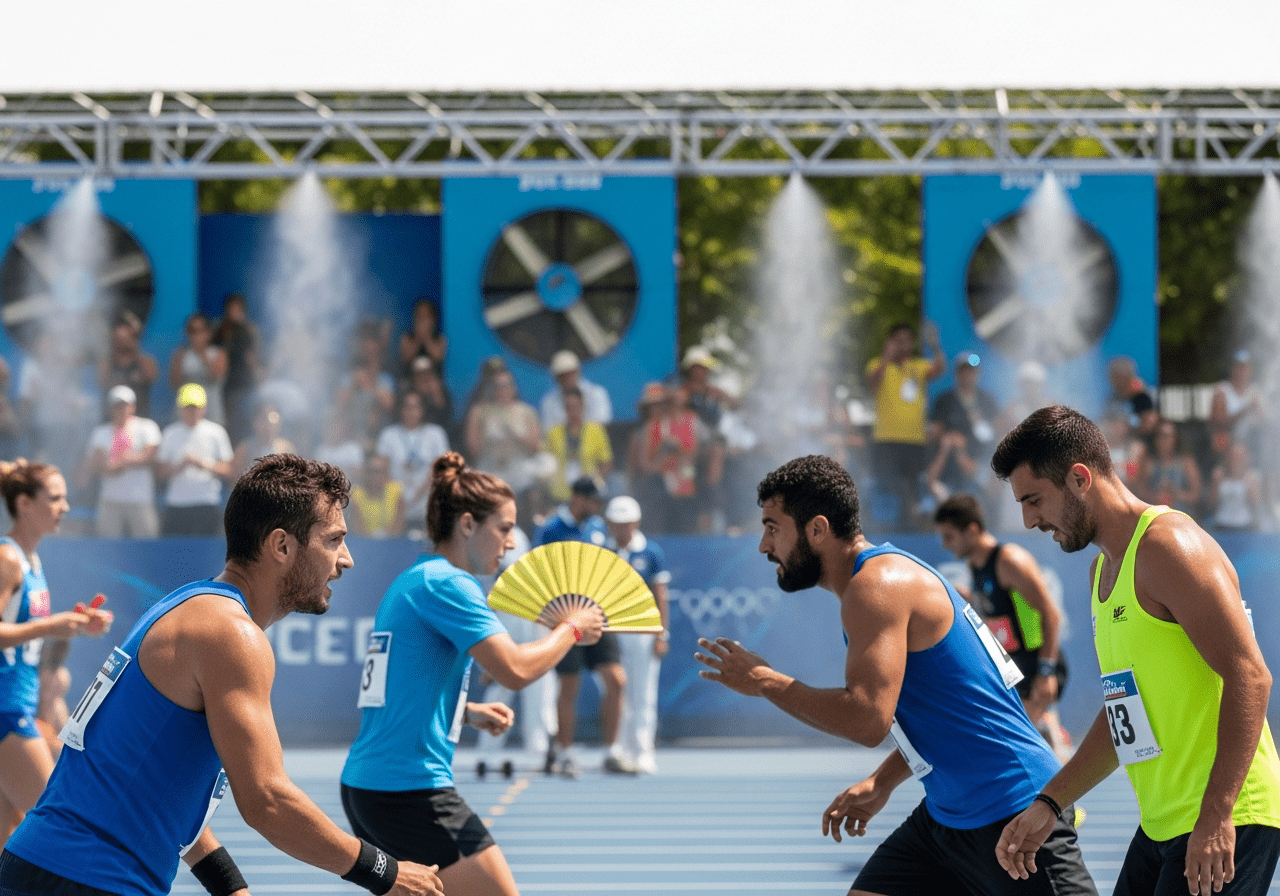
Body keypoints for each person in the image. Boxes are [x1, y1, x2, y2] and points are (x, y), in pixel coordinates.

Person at [0, 454, 446, 896]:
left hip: (49, 868)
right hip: (86, 880)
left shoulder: (192, 605)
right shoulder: (232, 634)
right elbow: (267, 800)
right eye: (333, 540)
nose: (346, 559)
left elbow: (164, 790)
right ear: (282, 546)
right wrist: (384, 872)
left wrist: (230, 886)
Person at [694, 454, 1096, 896]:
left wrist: (764, 681)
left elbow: (868, 720)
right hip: (948, 817)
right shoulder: (878, 581)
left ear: (817, 530)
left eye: (773, 527)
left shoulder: (876, 587)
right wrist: (880, 782)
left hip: (1014, 811)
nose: (763, 545)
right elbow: (948, 712)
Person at [990, 405, 1280, 896]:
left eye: (1035, 500)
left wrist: (1216, 815)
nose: (1028, 519)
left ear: (1080, 478)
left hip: (1226, 816)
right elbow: (1125, 713)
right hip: (1162, 826)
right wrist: (1050, 803)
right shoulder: (1101, 574)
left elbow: (1251, 676)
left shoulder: (1170, 547)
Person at [341, 451, 605, 896]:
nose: (509, 543)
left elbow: (392, 689)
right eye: (503, 529)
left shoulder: (415, 579)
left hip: (368, 788)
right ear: (467, 525)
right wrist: (572, 628)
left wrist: (464, 710)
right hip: (409, 792)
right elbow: (516, 669)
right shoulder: (449, 584)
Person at [0, 460, 112, 845]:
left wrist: (74, 624)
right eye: (55, 498)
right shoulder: (8, 558)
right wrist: (52, 625)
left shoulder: (31, 561)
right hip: (5, 711)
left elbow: (23, 635)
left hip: (17, 704)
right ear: (25, 503)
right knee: (62, 833)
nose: (65, 506)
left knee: (8, 840)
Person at [933, 493, 1071, 761]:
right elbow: (1000, 614)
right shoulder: (975, 566)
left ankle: (1057, 753)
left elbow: (1050, 615)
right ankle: (1053, 736)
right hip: (1016, 670)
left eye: (949, 536)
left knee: (1023, 747)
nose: (945, 545)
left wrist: (1046, 674)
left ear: (972, 530)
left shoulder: (1010, 561)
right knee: (1027, 746)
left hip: (1039, 665)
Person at [535, 476, 632, 776]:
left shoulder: (598, 528)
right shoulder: (551, 529)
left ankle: (611, 752)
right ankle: (564, 753)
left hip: (596, 612)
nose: (598, 507)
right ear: (577, 498)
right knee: (570, 684)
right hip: (564, 616)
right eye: (594, 501)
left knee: (616, 680)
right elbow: (539, 570)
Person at [605, 495, 670, 775]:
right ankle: (616, 750)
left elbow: (661, 595)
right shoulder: (601, 550)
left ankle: (643, 752)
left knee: (643, 695)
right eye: (616, 523)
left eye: (626, 523)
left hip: (643, 632)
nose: (622, 529)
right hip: (611, 632)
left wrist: (661, 634)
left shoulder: (651, 552)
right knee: (615, 691)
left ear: (636, 523)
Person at [864, 321, 946, 530]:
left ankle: (908, 523)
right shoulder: (877, 364)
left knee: (911, 484)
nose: (903, 345)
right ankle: (896, 523)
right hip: (886, 438)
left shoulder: (916, 367)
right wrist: (886, 355)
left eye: (907, 341)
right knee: (892, 483)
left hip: (914, 439)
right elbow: (872, 381)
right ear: (890, 342)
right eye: (898, 341)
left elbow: (939, 369)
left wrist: (935, 345)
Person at [79, 384, 163, 538]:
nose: (121, 410)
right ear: (110, 408)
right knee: (108, 547)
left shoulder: (147, 427)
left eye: (125, 405)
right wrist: (107, 466)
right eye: (117, 406)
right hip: (110, 500)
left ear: (133, 407)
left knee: (146, 546)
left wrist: (123, 461)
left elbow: (151, 455)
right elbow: (95, 463)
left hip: (140, 499)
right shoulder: (101, 432)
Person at [925, 351, 1001, 511]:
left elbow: (998, 430)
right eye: (963, 370)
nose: (967, 374)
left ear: (977, 373)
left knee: (987, 499)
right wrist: (949, 439)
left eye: (971, 370)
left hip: (982, 462)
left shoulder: (987, 400)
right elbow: (935, 431)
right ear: (957, 373)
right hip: (950, 465)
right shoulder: (945, 400)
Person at [156, 383, 234, 537]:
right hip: (177, 504)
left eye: (197, 407)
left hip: (207, 503)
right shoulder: (170, 433)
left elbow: (229, 470)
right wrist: (180, 465)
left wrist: (202, 463)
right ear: (180, 408)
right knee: (175, 553)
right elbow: (160, 473)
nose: (193, 411)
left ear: (204, 408)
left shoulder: (216, 433)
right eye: (188, 407)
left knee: (206, 554)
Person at [376, 390, 450, 539]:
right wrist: (401, 502)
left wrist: (416, 497)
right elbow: (382, 471)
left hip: (427, 507)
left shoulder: (435, 434)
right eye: (407, 407)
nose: (411, 411)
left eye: (415, 407)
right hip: (397, 508)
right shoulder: (388, 435)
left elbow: (440, 471)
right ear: (401, 410)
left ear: (422, 410)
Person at [544, 386, 613, 504]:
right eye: (568, 407)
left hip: (588, 494)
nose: (572, 411)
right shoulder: (553, 433)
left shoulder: (596, 431)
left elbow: (606, 462)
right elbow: (546, 462)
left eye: (575, 406)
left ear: (582, 406)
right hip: (559, 494)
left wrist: (595, 483)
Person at [212, 292, 263, 447]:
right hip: (228, 386)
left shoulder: (250, 331)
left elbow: (256, 356)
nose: (234, 312)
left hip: (247, 384)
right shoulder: (220, 330)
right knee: (231, 423)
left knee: (248, 421)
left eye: (238, 309)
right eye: (231, 309)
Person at [168, 312, 229, 427]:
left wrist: (202, 353)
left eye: (200, 330)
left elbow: (217, 376)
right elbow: (174, 383)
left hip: (212, 414)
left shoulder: (219, 354)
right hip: (185, 415)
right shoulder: (180, 355)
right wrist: (181, 359)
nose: (196, 335)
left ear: (208, 333)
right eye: (192, 331)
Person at [1136, 418, 1203, 517]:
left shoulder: (1186, 462)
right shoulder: (1149, 463)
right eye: (1161, 435)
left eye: (1169, 436)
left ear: (1176, 438)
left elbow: (1197, 494)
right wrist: (1156, 497)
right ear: (1156, 439)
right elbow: (1139, 492)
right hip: (1155, 517)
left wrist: (1176, 494)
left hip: (1183, 517)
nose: (1165, 440)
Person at [97, 316, 158, 423]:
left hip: (140, 420)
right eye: (119, 338)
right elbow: (103, 381)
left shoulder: (146, 361)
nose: (123, 341)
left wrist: (134, 348)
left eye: (127, 337)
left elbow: (151, 376)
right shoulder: (106, 363)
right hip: (112, 424)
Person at [538, 350, 612, 429]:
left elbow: (603, 423)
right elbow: (549, 430)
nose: (568, 378)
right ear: (556, 377)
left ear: (577, 371)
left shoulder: (596, 393)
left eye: (571, 373)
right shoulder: (548, 402)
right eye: (563, 375)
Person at [231, 401, 296, 478]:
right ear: (255, 422)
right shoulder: (245, 448)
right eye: (264, 420)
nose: (268, 425)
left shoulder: (286, 448)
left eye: (274, 420)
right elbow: (234, 473)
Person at [350, 453, 406, 539]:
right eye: (371, 471)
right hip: (364, 542)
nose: (375, 476)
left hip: (391, 542)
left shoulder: (396, 491)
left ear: (386, 474)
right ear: (366, 474)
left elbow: (398, 525)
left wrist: (385, 539)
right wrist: (372, 541)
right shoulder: (357, 493)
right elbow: (358, 527)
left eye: (380, 472)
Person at [1103, 356, 1159, 441]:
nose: (1111, 381)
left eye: (1116, 377)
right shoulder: (1112, 399)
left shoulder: (1145, 393)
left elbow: (1139, 385)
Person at [398, 298, 449, 376]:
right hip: (410, 380)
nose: (422, 320)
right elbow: (406, 357)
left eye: (426, 316)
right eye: (419, 316)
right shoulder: (406, 338)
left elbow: (438, 356)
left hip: (432, 380)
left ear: (433, 320)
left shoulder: (440, 339)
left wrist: (426, 337)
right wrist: (418, 338)